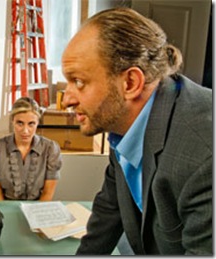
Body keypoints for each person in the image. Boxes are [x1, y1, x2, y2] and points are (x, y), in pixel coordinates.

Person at [61, 8, 212, 255]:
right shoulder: (122, 123)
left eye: (78, 82)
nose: (66, 99)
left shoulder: (204, 154)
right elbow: (109, 211)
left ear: (130, 83)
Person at [0, 97, 62, 201]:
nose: (25, 131)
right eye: (20, 123)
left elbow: (47, 193)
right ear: (12, 121)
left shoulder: (51, 148)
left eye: (31, 124)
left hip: (38, 208)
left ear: (37, 123)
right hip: (7, 207)